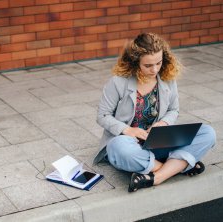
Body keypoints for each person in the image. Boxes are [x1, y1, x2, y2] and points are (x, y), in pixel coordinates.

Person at [93, 33, 216, 192]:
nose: (155, 69)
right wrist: (128, 130)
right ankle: (176, 167)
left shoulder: (167, 78)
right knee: (117, 147)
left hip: (159, 141)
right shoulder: (118, 82)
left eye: (159, 63)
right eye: (148, 65)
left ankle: (156, 177)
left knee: (208, 133)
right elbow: (102, 115)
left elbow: (173, 110)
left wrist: (162, 123)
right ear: (135, 62)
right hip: (128, 143)